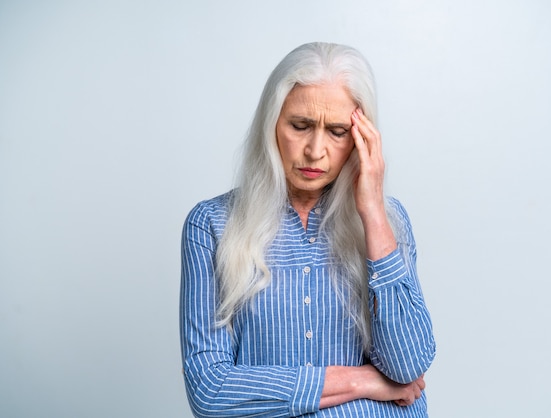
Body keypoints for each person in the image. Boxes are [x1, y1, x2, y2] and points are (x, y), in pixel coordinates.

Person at [180, 42, 436, 417]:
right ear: (272, 125)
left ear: (361, 139)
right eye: (300, 126)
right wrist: (363, 381)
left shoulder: (388, 220)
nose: (316, 150)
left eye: (336, 131)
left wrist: (373, 212)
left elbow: (409, 365)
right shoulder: (212, 226)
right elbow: (210, 389)